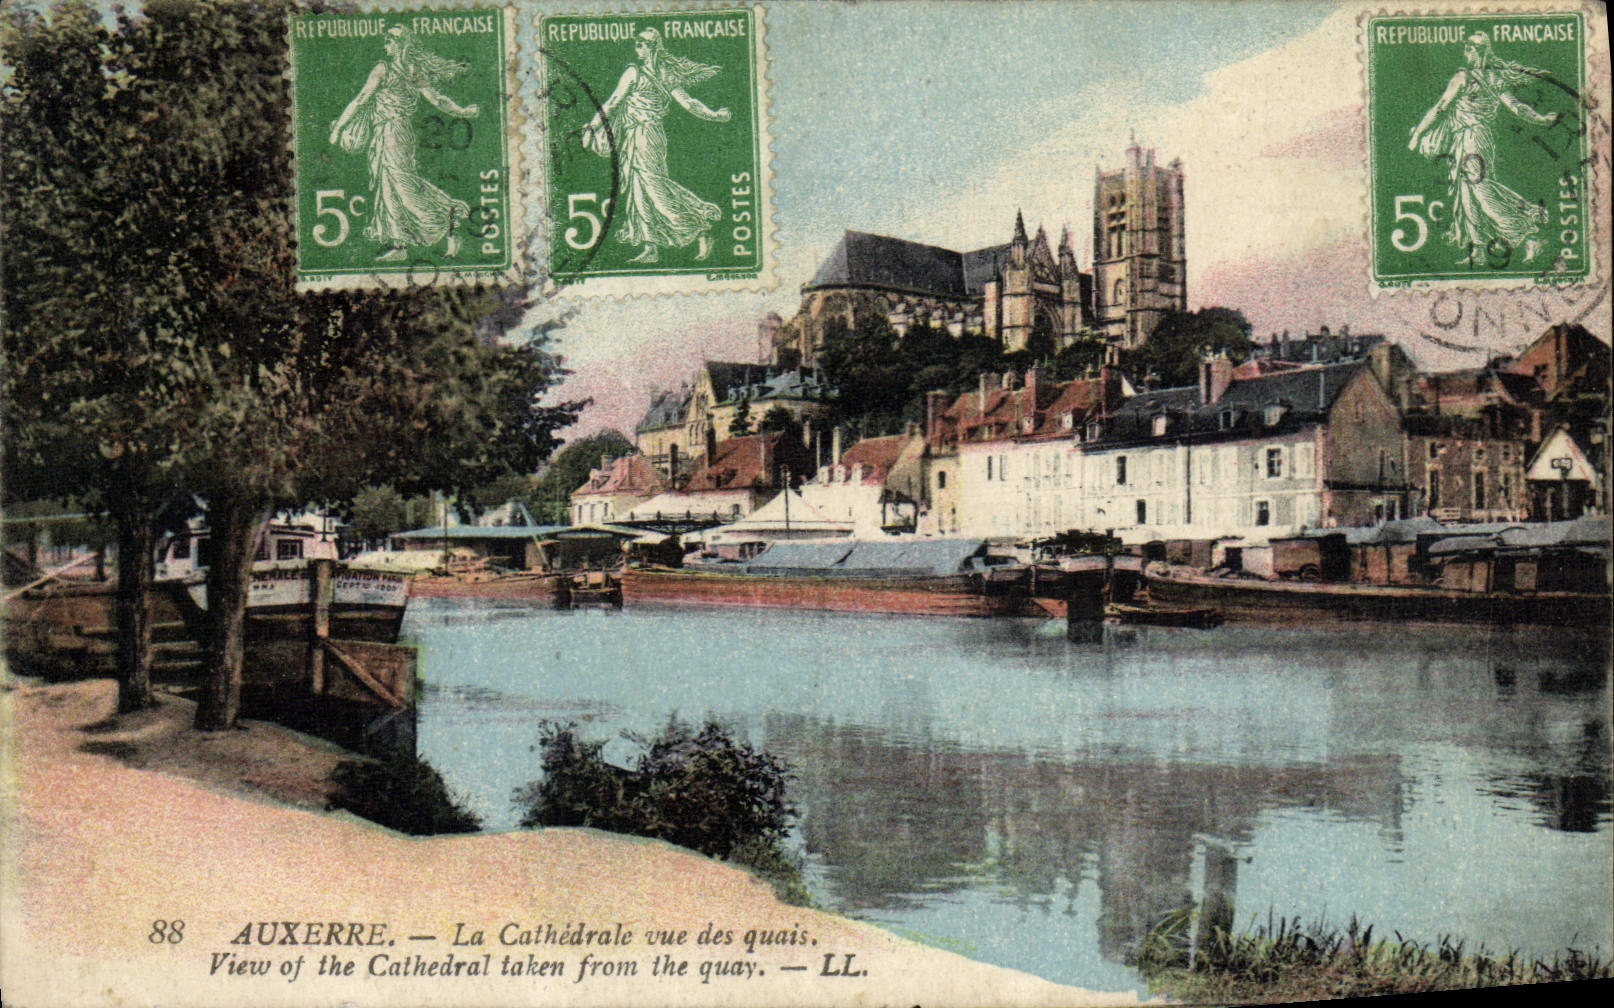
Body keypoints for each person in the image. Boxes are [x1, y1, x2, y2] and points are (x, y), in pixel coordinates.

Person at [329, 27, 480, 263]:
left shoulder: (384, 70)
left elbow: (360, 100)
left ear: (399, 45)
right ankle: (399, 245)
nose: (385, 47)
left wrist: (339, 128)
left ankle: (448, 217)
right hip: (396, 133)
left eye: (389, 42)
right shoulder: (412, 70)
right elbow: (438, 100)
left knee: (401, 186)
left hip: (391, 133)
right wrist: (461, 111)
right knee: (391, 186)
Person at [581, 29, 730, 264]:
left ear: (651, 47)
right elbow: (613, 103)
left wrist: (714, 115)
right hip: (634, 136)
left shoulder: (643, 73)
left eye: (641, 45)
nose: (637, 49)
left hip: (647, 136)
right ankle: (650, 248)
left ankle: (699, 226)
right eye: (637, 44)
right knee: (637, 190)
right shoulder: (652, 72)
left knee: (653, 187)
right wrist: (592, 126)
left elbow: (687, 103)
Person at [1408, 32, 1559, 264]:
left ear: (1477, 51)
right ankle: (1478, 250)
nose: (1465, 53)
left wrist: (1418, 133)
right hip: (1472, 139)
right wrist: (1540, 119)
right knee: (1467, 195)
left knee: (1481, 192)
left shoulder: (1463, 76)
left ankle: (1527, 236)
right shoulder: (1495, 79)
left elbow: (1440, 107)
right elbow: (1517, 107)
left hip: (1473, 140)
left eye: (1468, 49)